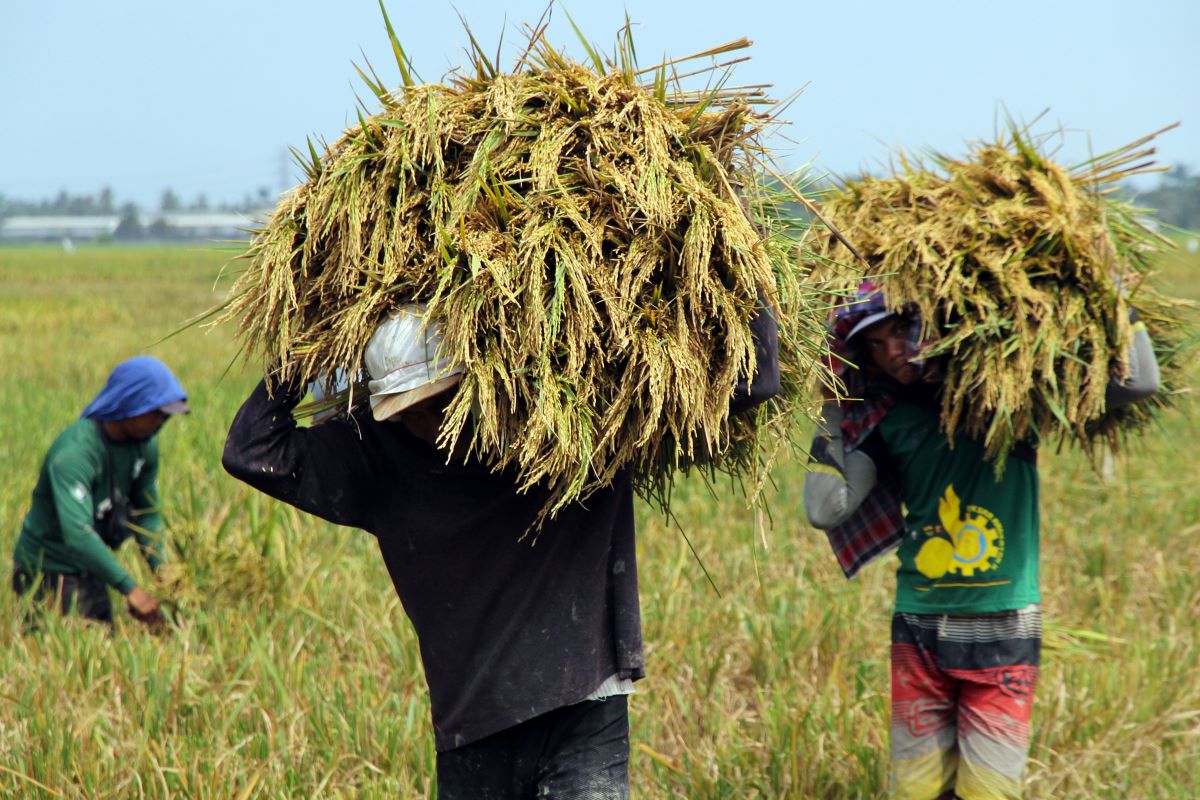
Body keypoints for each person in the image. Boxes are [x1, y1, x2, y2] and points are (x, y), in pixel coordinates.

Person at [222, 301, 779, 799]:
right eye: (407, 412)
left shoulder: (570, 427)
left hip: (584, 701)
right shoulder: (376, 459)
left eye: (437, 403)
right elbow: (251, 451)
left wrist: (744, 266)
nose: (427, 424)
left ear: (476, 381)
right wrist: (312, 339)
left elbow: (750, 387)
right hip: (472, 722)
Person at [802, 282, 1159, 800]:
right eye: (876, 345)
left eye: (901, 332)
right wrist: (831, 406)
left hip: (1003, 627)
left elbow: (1138, 383)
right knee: (916, 792)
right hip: (918, 629)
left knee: (989, 792)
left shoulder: (1009, 400)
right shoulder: (890, 420)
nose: (894, 353)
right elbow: (822, 508)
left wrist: (1113, 292)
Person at [12, 355, 189, 627]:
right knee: (70, 648)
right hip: (48, 569)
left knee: (107, 637)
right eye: (156, 413)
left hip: (88, 568)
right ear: (130, 405)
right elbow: (78, 534)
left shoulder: (145, 445)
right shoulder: (75, 453)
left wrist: (162, 571)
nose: (161, 421)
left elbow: (147, 514)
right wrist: (131, 589)